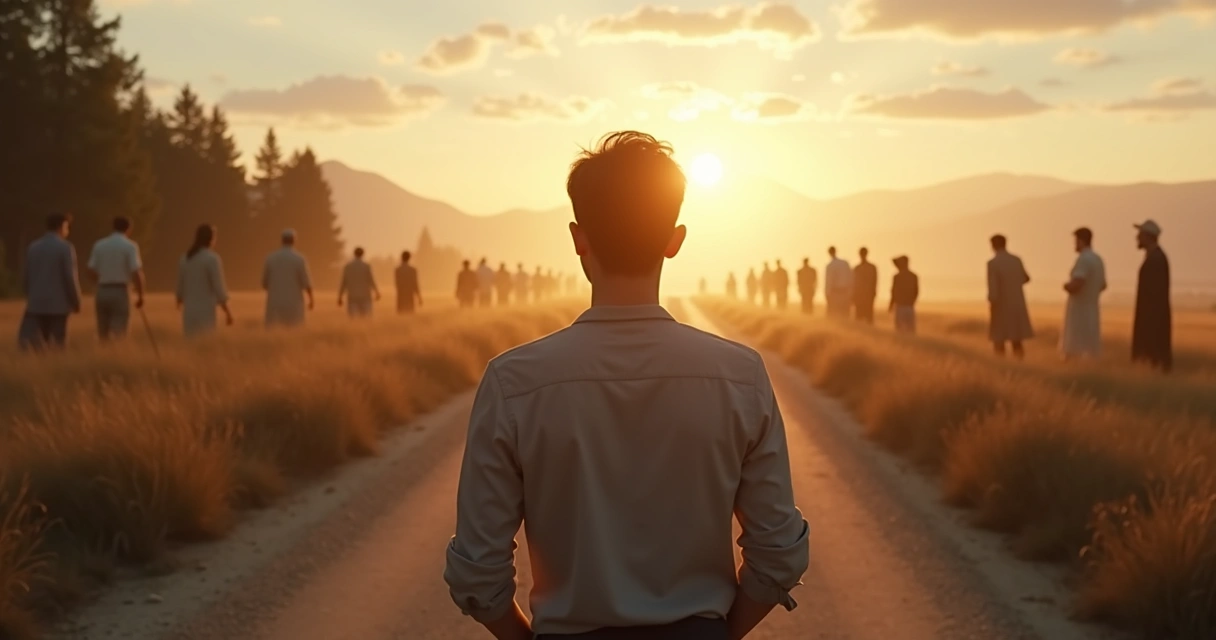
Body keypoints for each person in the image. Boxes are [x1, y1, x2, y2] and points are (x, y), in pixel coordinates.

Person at [444, 131, 808, 640]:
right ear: (675, 240)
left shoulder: (513, 381)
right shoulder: (740, 375)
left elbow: (477, 573)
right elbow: (779, 552)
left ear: (578, 238)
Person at [18, 213, 81, 351]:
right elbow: (70, 277)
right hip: (58, 306)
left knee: (34, 346)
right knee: (57, 346)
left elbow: (26, 277)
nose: (67, 231)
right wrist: (76, 301)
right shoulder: (66, 247)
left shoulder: (33, 247)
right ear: (61, 226)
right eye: (67, 227)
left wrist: (30, 296)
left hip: (35, 305)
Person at [87, 216, 145, 342]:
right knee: (119, 331)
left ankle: (103, 355)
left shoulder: (99, 244)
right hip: (120, 291)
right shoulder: (130, 246)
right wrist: (141, 296)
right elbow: (136, 272)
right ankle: (116, 355)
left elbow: (90, 270)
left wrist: (100, 281)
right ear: (128, 229)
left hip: (102, 290)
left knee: (102, 330)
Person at [175, 224, 233, 337]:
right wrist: (227, 312)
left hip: (189, 311)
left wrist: (179, 300)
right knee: (206, 345)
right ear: (211, 239)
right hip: (206, 311)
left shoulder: (185, 258)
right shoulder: (212, 259)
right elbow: (219, 288)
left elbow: (179, 286)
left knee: (190, 344)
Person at [1131, 220, 1172, 372]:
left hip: (1152, 320)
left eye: (1140, 235)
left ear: (1148, 237)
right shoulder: (1155, 256)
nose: (1137, 238)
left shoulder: (1156, 259)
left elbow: (1154, 296)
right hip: (1151, 318)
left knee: (1153, 357)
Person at [1061, 227, 1107, 361]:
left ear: (1081, 241)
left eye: (1075, 241)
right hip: (1092, 307)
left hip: (1079, 309)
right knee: (1090, 343)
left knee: (1074, 343)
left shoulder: (1083, 259)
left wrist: (1066, 286)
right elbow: (1103, 285)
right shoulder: (1098, 259)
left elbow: (1078, 283)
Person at [987, 234, 1034, 358]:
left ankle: (1001, 366)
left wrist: (992, 303)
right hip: (1017, 304)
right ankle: (1020, 364)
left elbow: (993, 289)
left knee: (999, 339)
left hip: (1001, 305)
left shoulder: (993, 263)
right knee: (1016, 339)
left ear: (993, 246)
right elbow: (1026, 278)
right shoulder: (1016, 260)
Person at [263, 229, 314, 328]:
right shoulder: (299, 259)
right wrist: (311, 299)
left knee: (273, 330)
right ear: (294, 240)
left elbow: (264, 283)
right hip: (294, 304)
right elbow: (306, 282)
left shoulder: (270, 258)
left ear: (282, 240)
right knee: (295, 330)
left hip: (274, 303)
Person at [338, 247, 380, 318]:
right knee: (365, 317)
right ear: (363, 254)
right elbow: (371, 280)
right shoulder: (366, 266)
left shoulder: (348, 267)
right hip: (365, 296)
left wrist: (340, 296)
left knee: (353, 318)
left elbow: (344, 283)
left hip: (352, 296)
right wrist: (377, 292)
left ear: (354, 254)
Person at [889, 255, 919, 334]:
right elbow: (916, 292)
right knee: (910, 330)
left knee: (900, 330)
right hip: (909, 306)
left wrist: (891, 304)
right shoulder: (913, 276)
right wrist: (912, 302)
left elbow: (893, 292)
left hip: (901, 307)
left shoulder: (897, 277)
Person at [824, 247, 853, 319]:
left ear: (829, 253)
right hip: (845, 291)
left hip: (835, 293)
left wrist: (827, 293)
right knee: (845, 314)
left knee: (834, 314)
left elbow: (829, 281)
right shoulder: (845, 263)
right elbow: (850, 277)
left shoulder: (830, 265)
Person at [853, 248, 878, 324]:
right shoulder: (858, 268)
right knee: (861, 318)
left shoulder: (870, 267)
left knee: (867, 317)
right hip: (861, 296)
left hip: (867, 296)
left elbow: (874, 282)